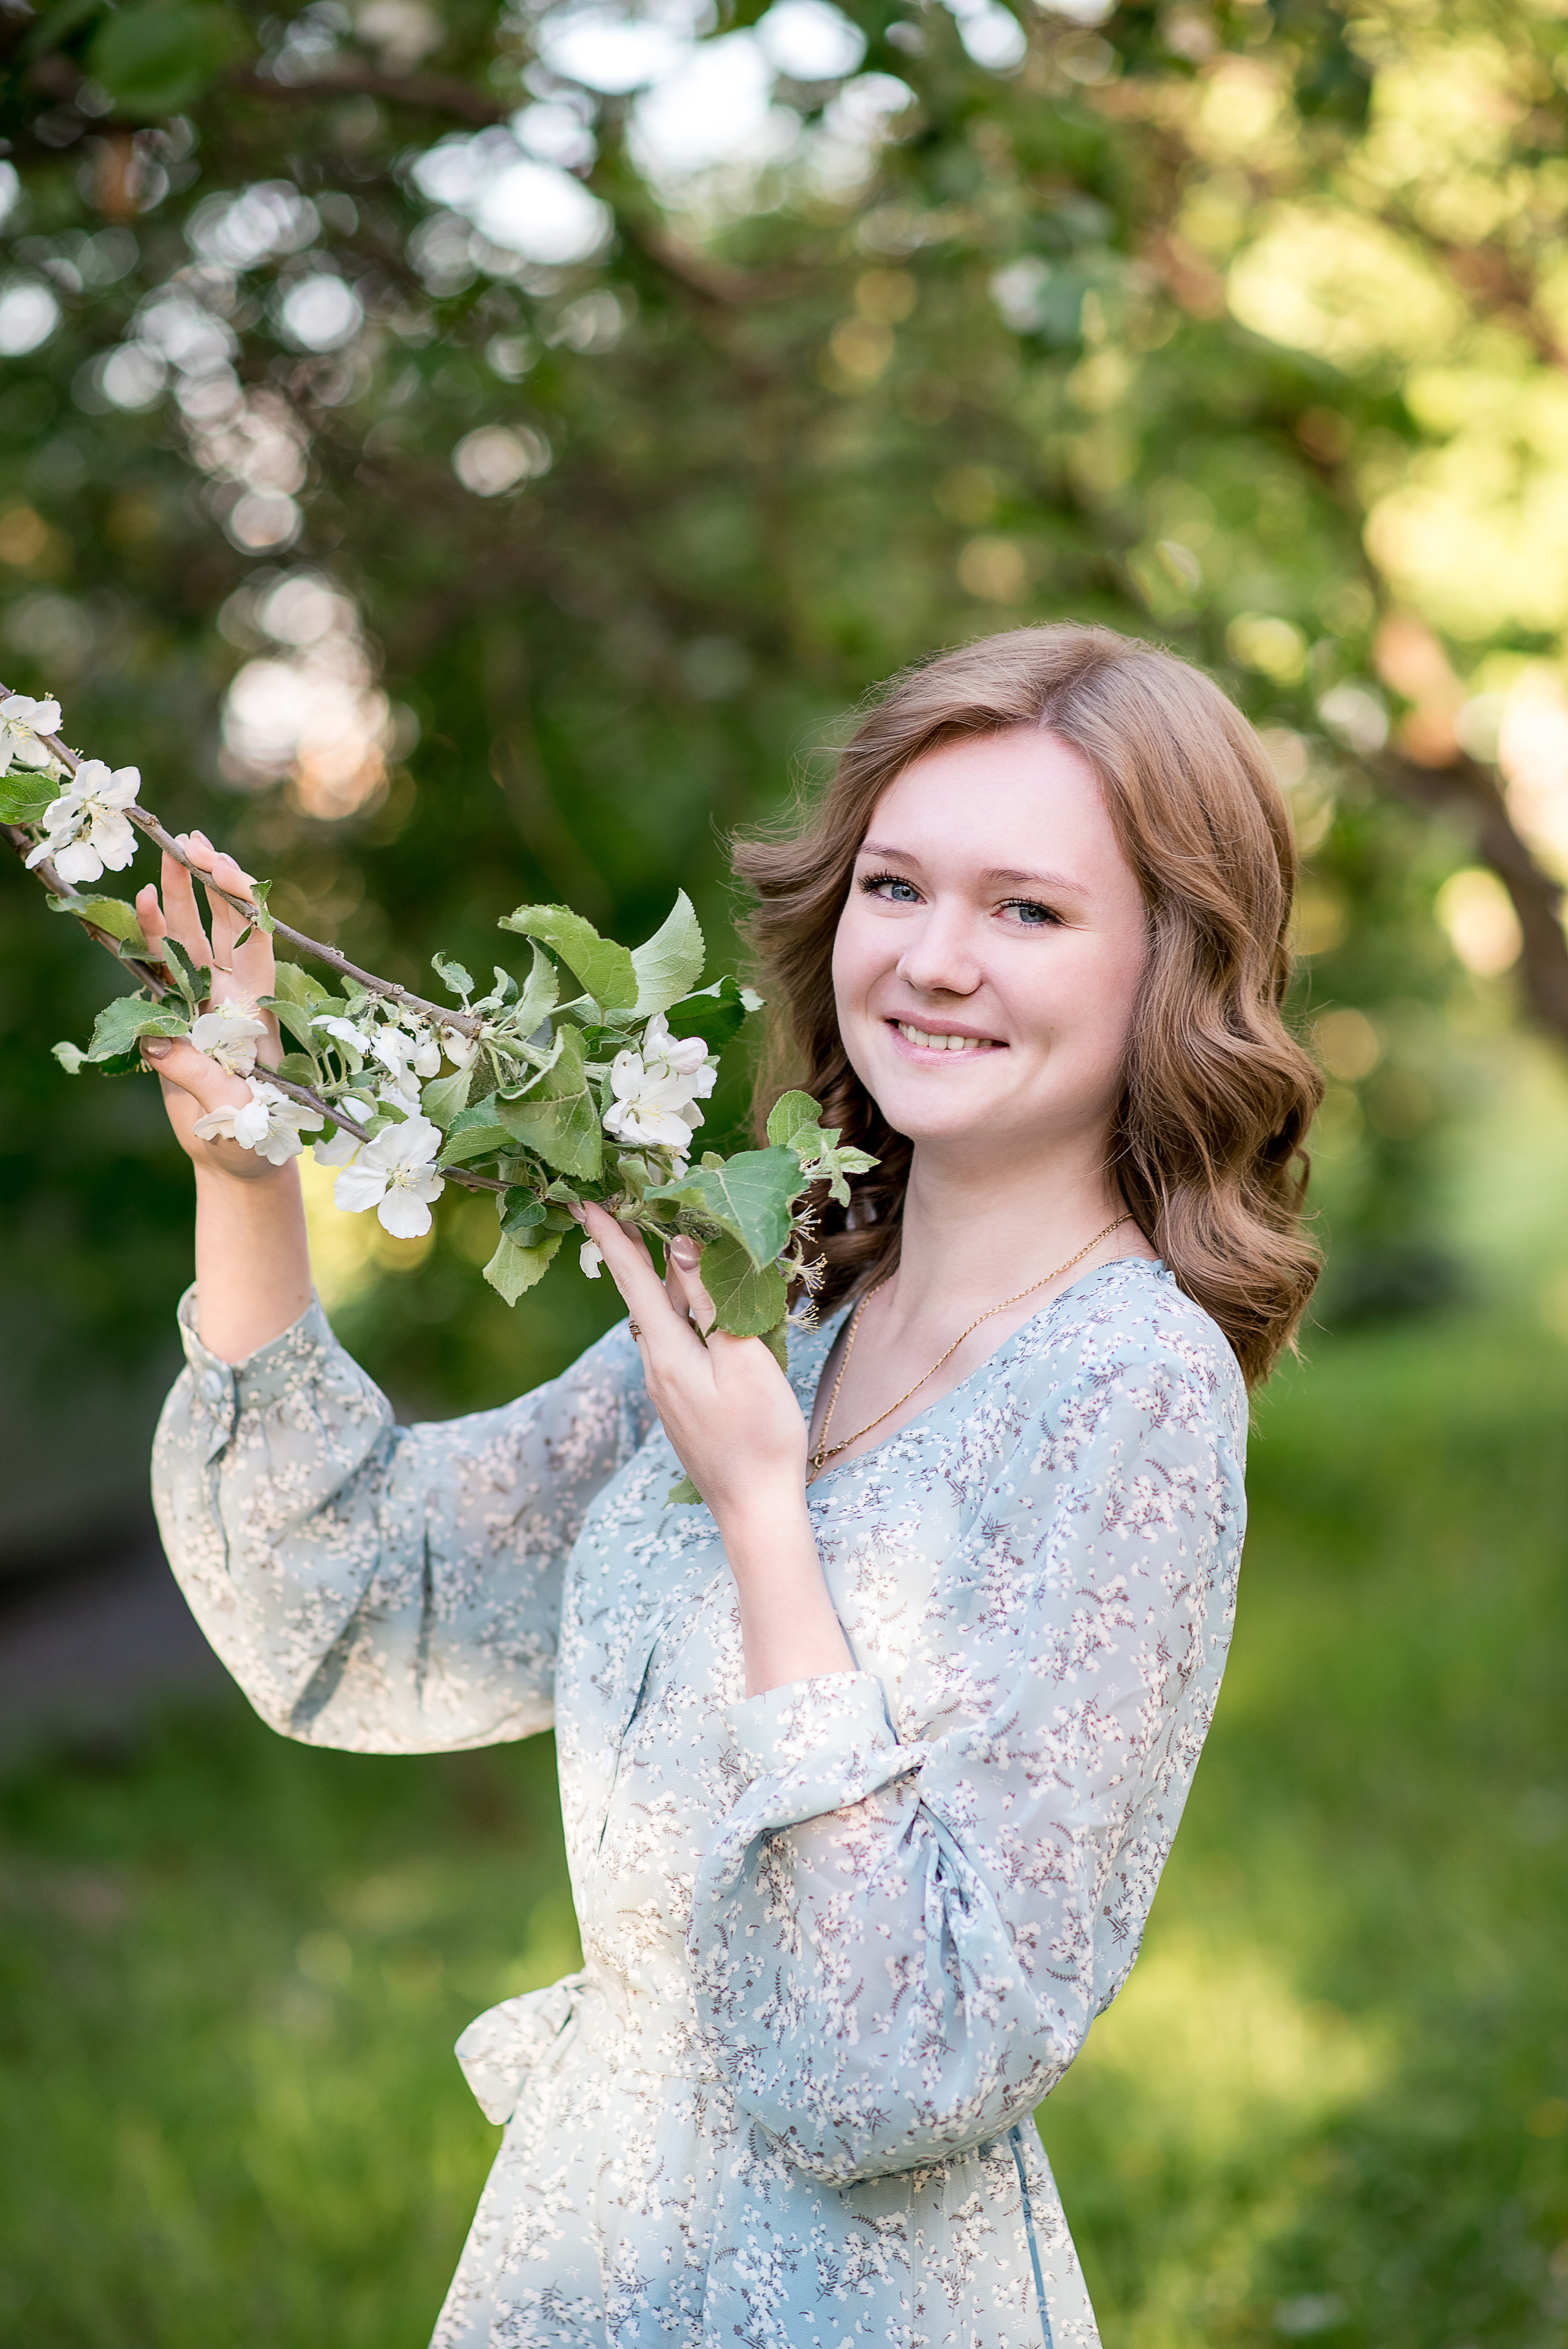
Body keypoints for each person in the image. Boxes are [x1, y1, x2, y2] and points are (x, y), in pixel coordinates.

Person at [143, 622, 1322, 2349]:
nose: (934, 960)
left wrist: (767, 1521)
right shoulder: (780, 1285)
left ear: (1171, 960)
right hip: (585, 2248)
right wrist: (248, 1172)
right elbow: (362, 1604)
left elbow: (900, 2058)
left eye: (1029, 909)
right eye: (897, 886)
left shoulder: (1129, 1396)